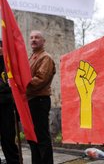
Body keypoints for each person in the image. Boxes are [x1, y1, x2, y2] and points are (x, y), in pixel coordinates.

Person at [26, 30, 56, 164]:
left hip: (39, 100)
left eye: (37, 37)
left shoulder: (46, 57)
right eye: (31, 37)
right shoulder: (31, 57)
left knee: (41, 137)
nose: (33, 39)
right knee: (32, 137)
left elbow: (40, 79)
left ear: (43, 41)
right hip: (30, 101)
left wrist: (22, 85)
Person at [0, 40, 20, 164]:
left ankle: (13, 161)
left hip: (7, 107)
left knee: (8, 139)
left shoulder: (9, 64)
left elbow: (13, 85)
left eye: (1, 46)